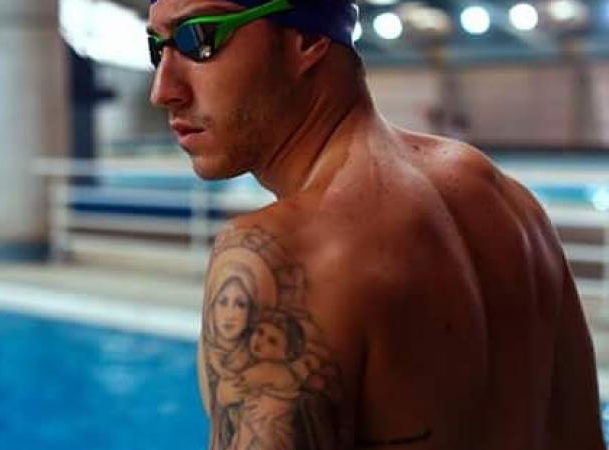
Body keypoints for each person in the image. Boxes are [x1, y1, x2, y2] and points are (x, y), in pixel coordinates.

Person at [146, 0, 605, 448]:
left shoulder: (280, 258)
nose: (163, 90)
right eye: (157, 48)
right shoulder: (508, 202)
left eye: (198, 39)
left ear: (306, 37)